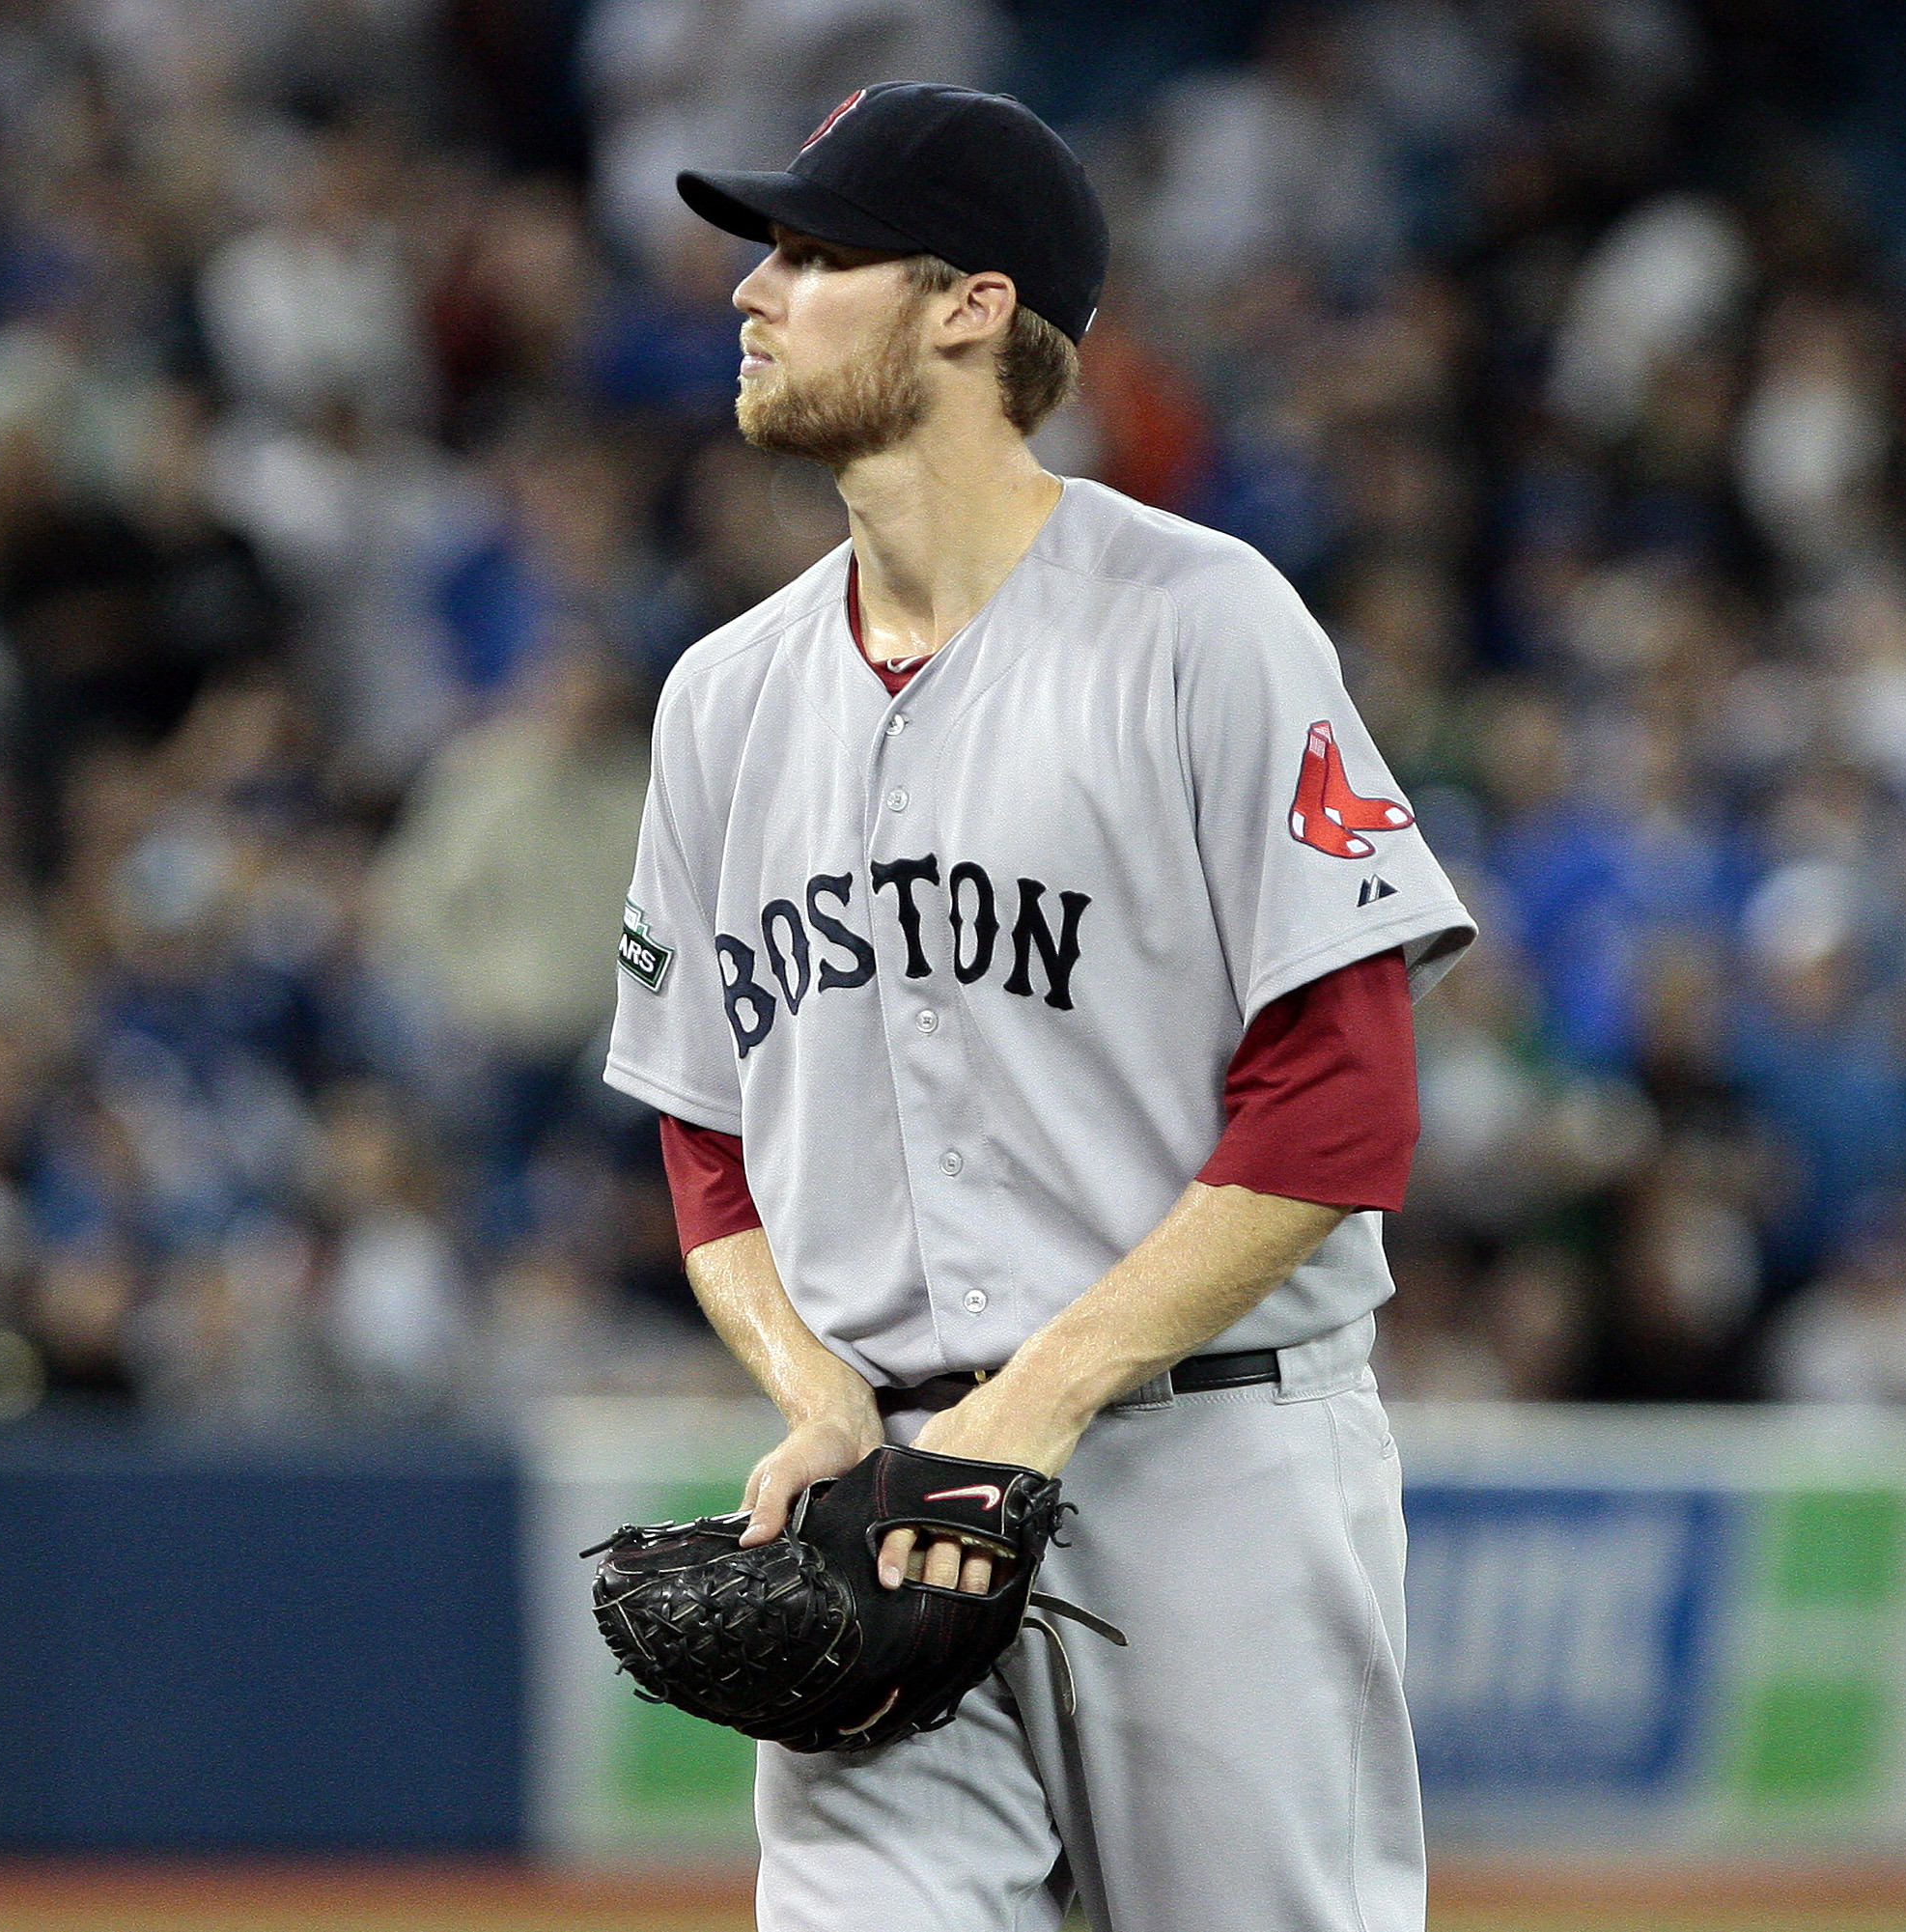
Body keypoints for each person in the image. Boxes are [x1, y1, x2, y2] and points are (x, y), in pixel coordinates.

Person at [602, 85, 1477, 1932]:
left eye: (811, 252)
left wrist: (1044, 1395)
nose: (754, 291)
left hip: (1207, 1461)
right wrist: (813, 1386)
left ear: (969, 305)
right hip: (885, 1494)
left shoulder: (1204, 622)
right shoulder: (720, 700)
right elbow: (703, 1131)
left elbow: (1339, 1109)